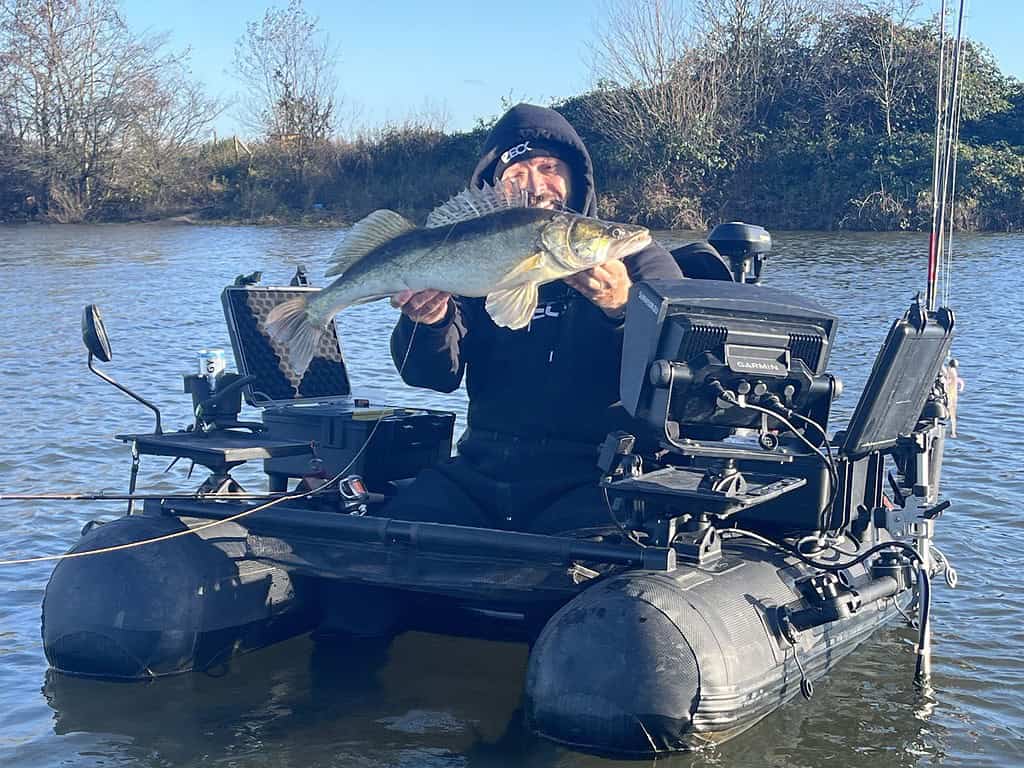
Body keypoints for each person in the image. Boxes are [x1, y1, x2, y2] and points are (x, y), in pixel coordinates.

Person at [383, 103, 683, 535]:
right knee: (387, 542)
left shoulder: (637, 261)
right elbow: (432, 377)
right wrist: (428, 323)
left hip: (600, 475)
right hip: (482, 471)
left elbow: (677, 379)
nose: (536, 184)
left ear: (576, 180)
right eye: (517, 170)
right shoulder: (471, 261)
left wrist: (622, 308)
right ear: (495, 186)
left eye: (549, 167)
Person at [944, 358, 965, 437]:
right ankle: (953, 432)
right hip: (953, 394)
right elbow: (959, 380)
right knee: (952, 414)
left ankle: (953, 432)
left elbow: (950, 380)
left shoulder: (950, 371)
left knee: (951, 413)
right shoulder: (953, 371)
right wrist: (961, 387)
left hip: (950, 394)